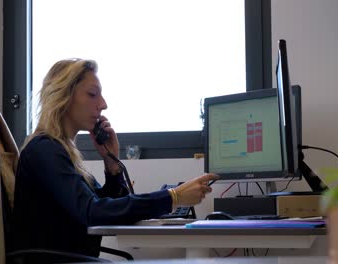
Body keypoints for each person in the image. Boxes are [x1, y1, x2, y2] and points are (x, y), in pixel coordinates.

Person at [12, 58, 219, 257]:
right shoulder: (44, 150)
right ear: (63, 98)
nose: (103, 104)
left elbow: (107, 207)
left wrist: (112, 164)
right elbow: (92, 212)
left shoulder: (61, 151)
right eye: (92, 94)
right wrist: (173, 197)